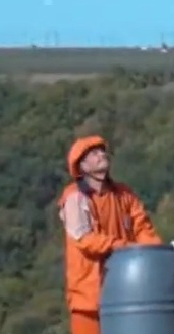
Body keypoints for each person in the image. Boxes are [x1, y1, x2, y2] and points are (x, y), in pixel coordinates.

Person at [58, 135, 164, 334]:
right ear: (82, 166)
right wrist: (125, 248)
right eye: (93, 153)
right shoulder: (74, 197)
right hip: (88, 300)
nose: (101, 155)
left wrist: (156, 256)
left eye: (102, 151)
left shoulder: (125, 194)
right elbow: (85, 239)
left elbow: (144, 229)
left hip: (125, 295)